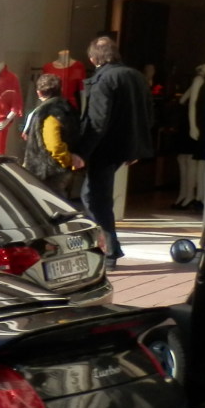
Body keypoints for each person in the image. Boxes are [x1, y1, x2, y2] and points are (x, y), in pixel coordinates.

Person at [71, 36, 154, 268]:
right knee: (99, 196)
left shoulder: (104, 79)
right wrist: (135, 147)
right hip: (123, 148)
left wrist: (81, 152)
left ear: (92, 58)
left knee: (94, 197)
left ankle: (108, 250)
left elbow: (97, 121)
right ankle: (107, 249)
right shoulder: (135, 76)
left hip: (105, 148)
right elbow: (148, 113)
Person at [20, 74, 75, 197]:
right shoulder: (66, 108)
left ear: (39, 93)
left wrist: (66, 160)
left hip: (48, 172)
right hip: (54, 169)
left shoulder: (48, 111)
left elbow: (54, 145)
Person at [174, 63, 205, 210]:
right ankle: (192, 195)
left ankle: (196, 196)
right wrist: (193, 126)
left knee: (199, 162)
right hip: (199, 123)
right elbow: (191, 103)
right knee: (194, 160)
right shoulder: (200, 80)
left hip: (203, 123)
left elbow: (184, 100)